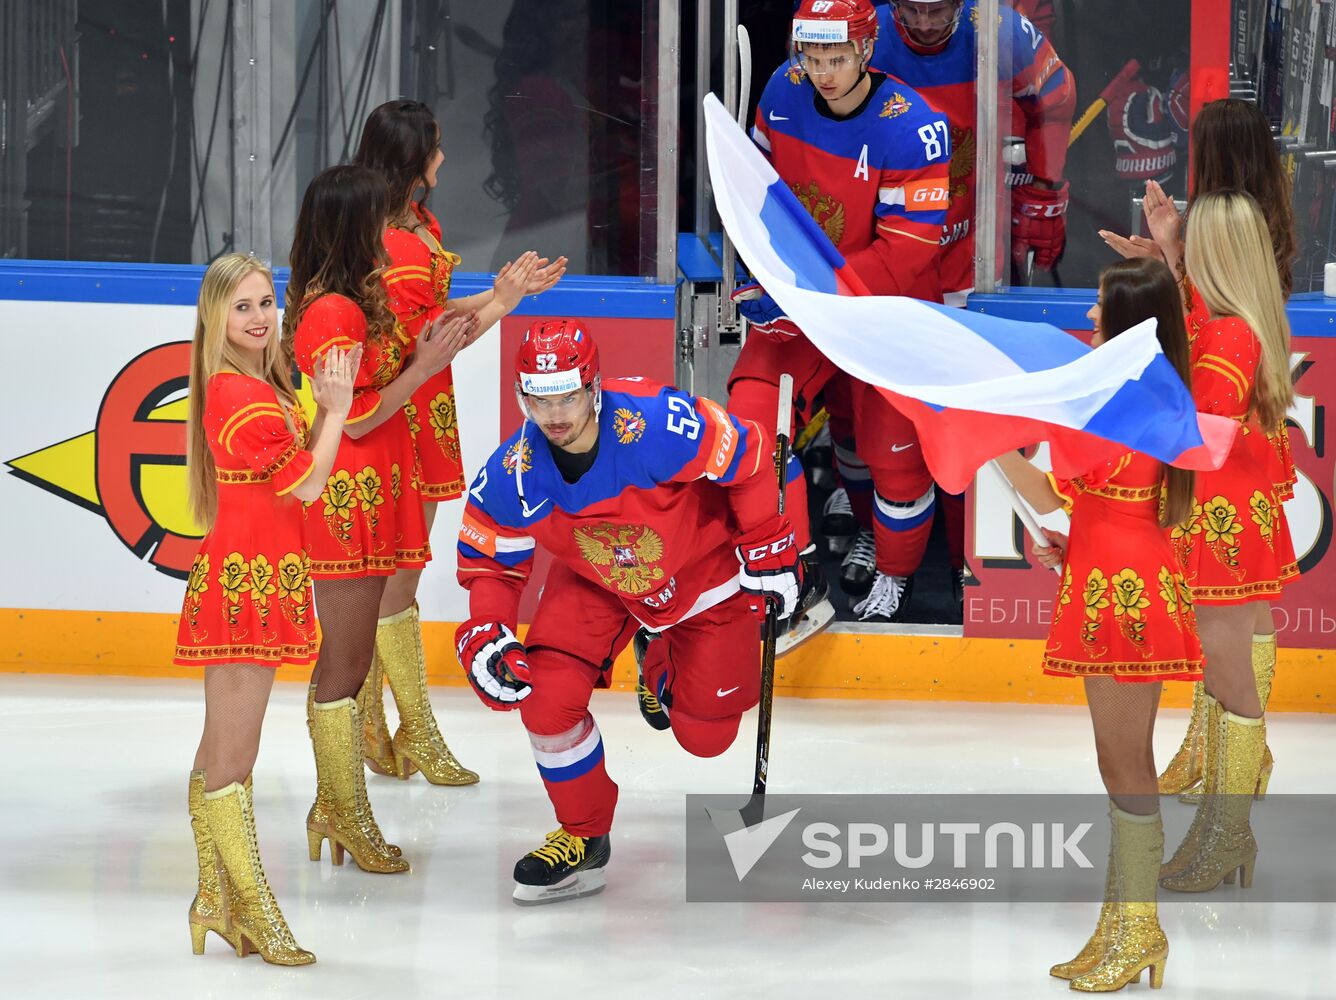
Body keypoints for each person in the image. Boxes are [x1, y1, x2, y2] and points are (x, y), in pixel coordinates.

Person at [454, 320, 801, 904]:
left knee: (705, 738)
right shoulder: (514, 471)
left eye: (567, 395)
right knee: (545, 701)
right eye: (540, 399)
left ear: (594, 386)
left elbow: (752, 453)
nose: (555, 414)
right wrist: (488, 629)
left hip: (703, 576)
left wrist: (769, 542)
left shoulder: (658, 423)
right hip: (596, 582)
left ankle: (659, 659)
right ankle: (584, 837)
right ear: (522, 398)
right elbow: (492, 557)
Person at [993, 257, 1197, 992]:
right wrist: (1075, 541)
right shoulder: (1155, 389)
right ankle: (1121, 923)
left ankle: (1138, 929)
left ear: (1128, 326)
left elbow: (1051, 493)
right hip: (1121, 570)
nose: (1088, 323)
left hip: (1121, 593)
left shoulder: (1117, 400)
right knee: (1124, 764)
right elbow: (1109, 502)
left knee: (1125, 766)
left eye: (1100, 312)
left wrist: (990, 444)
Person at [350, 99, 566, 786]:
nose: (445, 158)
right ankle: (406, 732)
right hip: (402, 415)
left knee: (388, 580)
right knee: (394, 581)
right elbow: (429, 342)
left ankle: (380, 728)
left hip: (417, 408)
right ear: (414, 161)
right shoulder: (400, 245)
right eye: (436, 149)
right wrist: (499, 305)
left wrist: (501, 295)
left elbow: (435, 321)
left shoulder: (407, 222)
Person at [732, 0, 953, 624]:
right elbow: (756, 192)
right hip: (801, 301)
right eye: (812, 57)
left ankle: (895, 571)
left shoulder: (913, 127)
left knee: (889, 450)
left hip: (887, 310)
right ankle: (793, 566)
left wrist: (804, 300)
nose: (822, 72)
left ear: (865, 49)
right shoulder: (782, 89)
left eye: (836, 58)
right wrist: (758, 272)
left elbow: (904, 257)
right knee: (752, 426)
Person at [283, 164, 477, 874]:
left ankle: (340, 806)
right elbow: (356, 416)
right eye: (376, 221)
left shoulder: (351, 298)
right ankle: (340, 808)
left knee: (350, 657)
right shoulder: (334, 311)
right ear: (352, 227)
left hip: (373, 490)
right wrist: (422, 369)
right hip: (350, 496)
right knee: (344, 660)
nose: (389, 234)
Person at [1101, 98, 1295, 799]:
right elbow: (1200, 314)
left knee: (1230, 629)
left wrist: (1170, 260)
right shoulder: (1238, 231)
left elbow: (1208, 336)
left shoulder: (1234, 231)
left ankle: (1235, 778)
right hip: (1230, 441)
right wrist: (1166, 256)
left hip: (1229, 449)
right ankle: (1219, 756)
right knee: (1230, 627)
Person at [178, 253, 359, 965]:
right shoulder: (240, 397)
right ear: (215, 314)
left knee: (223, 748)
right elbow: (311, 488)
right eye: (243, 306)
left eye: (265, 303)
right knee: (235, 753)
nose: (258, 318)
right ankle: (251, 908)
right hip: (245, 588)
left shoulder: (253, 384)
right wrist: (337, 411)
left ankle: (216, 900)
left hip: (254, 579)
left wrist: (318, 408)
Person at [1155, 190, 1296, 894]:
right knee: (1217, 669)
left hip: (1224, 521)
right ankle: (1219, 828)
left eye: (1194, 245)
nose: (1187, 255)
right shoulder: (1223, 316)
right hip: (1218, 513)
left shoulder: (1233, 333)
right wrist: (1167, 248)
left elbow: (1201, 436)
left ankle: (1228, 830)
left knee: (1227, 671)